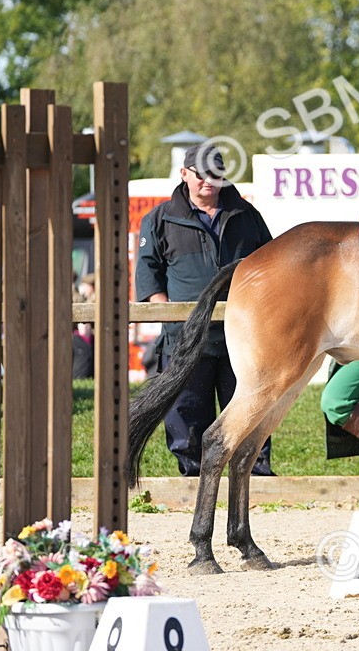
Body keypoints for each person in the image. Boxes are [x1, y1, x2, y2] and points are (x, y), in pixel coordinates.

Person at [135, 144, 276, 476]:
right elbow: (148, 275)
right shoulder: (158, 220)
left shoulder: (247, 215)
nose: (209, 182)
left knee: (248, 408)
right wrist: (172, 320)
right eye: (202, 175)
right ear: (185, 174)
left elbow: (271, 265)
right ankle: (194, 479)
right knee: (188, 414)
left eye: (216, 174)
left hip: (242, 336)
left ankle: (255, 477)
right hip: (186, 339)